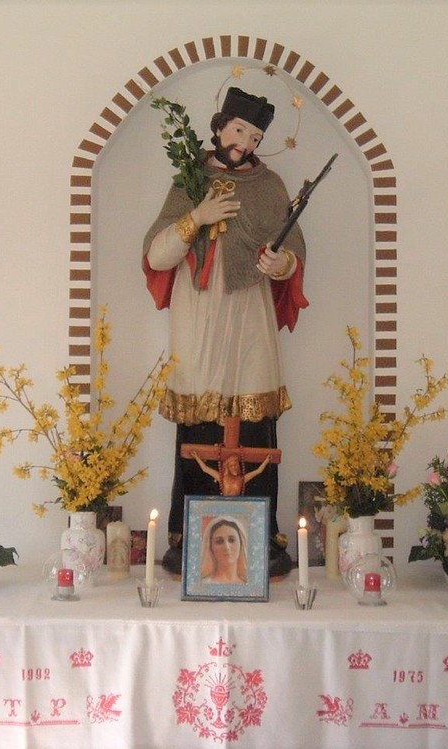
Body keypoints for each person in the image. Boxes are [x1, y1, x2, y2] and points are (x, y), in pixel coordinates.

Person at [143, 87, 309, 577]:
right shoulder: (190, 180)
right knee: (198, 424)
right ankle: (191, 536)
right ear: (219, 127)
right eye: (239, 131)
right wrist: (197, 217)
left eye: (255, 137)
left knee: (255, 422)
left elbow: (293, 252)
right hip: (198, 317)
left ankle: (260, 537)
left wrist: (282, 264)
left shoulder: (270, 185)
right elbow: (157, 257)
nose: (245, 143)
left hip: (251, 318)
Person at [190, 450, 270, 498]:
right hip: (224, 503)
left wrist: (266, 461)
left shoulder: (242, 479)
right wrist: (196, 457)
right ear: (228, 468)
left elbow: (258, 471)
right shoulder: (222, 478)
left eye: (235, 465)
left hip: (237, 504)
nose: (234, 467)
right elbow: (205, 469)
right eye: (231, 466)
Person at [201, 517, 248, 584]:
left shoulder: (248, 585)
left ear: (241, 544)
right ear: (211, 547)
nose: (226, 547)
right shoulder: (204, 584)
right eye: (219, 541)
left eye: (231, 540)